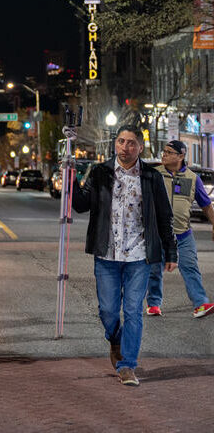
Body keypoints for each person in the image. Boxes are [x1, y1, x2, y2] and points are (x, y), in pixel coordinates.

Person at [72, 125, 177, 387]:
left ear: (140, 147)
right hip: (106, 254)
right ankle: (115, 338)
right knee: (108, 311)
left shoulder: (152, 178)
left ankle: (128, 365)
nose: (125, 147)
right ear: (115, 144)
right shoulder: (100, 172)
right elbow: (81, 205)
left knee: (133, 311)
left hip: (139, 256)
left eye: (131, 143)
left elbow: (165, 217)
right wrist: (71, 178)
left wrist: (171, 251)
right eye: (121, 141)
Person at [146, 140, 214, 318]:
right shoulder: (154, 175)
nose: (164, 155)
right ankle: (153, 303)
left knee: (190, 267)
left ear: (181, 156)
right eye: (164, 151)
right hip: (158, 234)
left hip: (183, 234)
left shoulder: (193, 179)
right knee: (154, 269)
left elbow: (206, 205)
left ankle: (201, 303)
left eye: (169, 152)